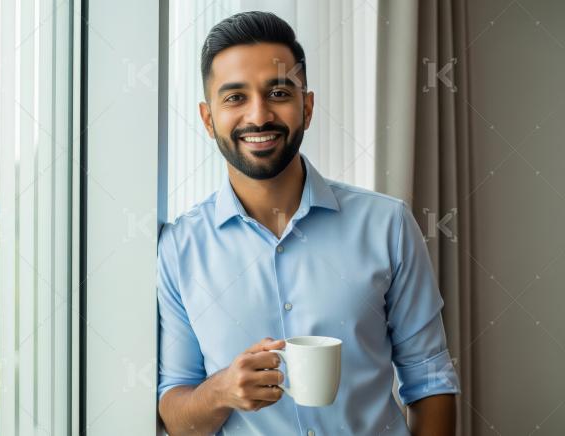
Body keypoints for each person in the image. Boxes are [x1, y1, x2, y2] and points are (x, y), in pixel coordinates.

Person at [157, 11, 460, 435]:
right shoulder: (178, 248)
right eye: (235, 98)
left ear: (307, 106)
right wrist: (220, 390)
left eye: (278, 92)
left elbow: (429, 378)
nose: (258, 116)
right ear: (209, 120)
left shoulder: (387, 224)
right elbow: (174, 409)